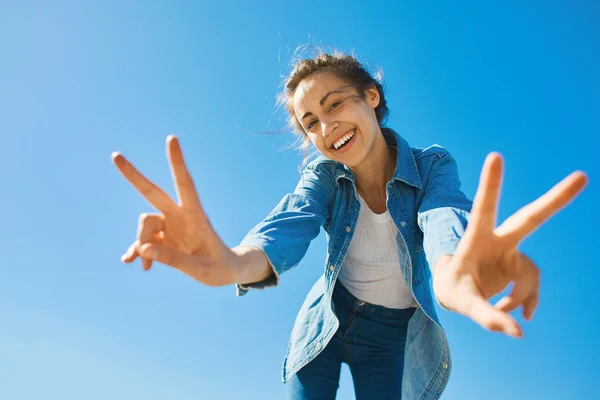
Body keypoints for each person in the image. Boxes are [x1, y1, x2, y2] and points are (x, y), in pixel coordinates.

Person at [111, 52, 587, 399]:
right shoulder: (322, 175)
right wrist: (235, 263)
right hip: (326, 322)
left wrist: (452, 273)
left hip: (390, 334)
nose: (326, 128)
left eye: (335, 104)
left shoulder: (431, 165)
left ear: (371, 97)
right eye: (310, 122)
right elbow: (292, 224)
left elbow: (443, 219)